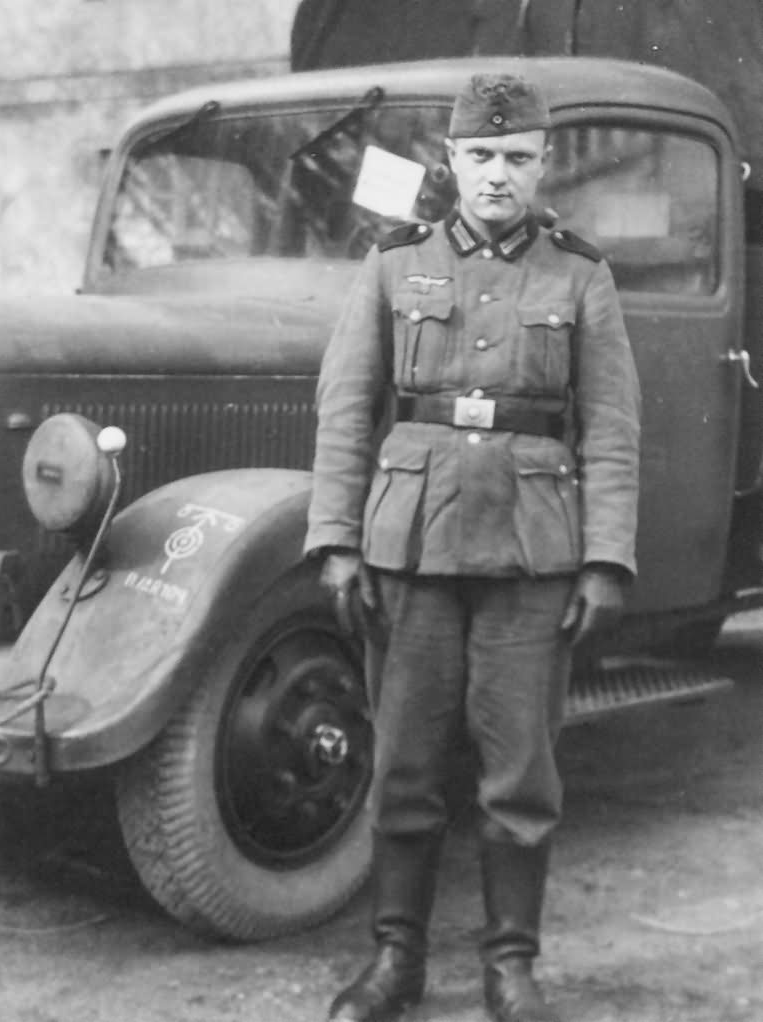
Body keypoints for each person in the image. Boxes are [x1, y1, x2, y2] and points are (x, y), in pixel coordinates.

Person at [304, 72, 641, 1022]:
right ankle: (394, 963)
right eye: (482, 156)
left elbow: (611, 427)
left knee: (520, 775)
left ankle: (510, 967)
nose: (499, 175)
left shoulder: (581, 273)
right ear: (450, 161)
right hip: (408, 551)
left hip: (533, 561)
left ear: (544, 165)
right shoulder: (391, 262)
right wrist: (336, 542)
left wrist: (606, 558)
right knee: (404, 764)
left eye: (518, 158)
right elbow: (344, 412)